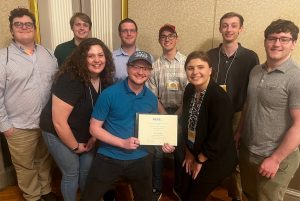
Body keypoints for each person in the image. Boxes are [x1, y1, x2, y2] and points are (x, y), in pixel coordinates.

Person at [80, 51, 175, 201]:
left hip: (141, 157)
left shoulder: (151, 99)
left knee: (145, 198)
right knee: (89, 197)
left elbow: (153, 130)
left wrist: (165, 143)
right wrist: (122, 143)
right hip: (109, 156)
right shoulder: (109, 94)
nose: (140, 72)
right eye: (136, 66)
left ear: (150, 72)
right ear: (127, 68)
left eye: (145, 68)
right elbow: (94, 128)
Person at [40, 38, 114, 201]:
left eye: (100, 55)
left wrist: (94, 137)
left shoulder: (105, 79)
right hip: (57, 130)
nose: (97, 60)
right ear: (82, 58)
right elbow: (59, 121)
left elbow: (102, 114)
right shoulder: (70, 79)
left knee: (87, 169)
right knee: (71, 170)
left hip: (85, 132)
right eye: (90, 56)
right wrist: (75, 147)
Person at [236, 19, 300, 201]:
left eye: (284, 39)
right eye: (272, 38)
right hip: (249, 151)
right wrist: (240, 131)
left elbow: (299, 125)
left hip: (275, 157)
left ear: (293, 43)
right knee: (248, 195)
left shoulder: (296, 77)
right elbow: (249, 103)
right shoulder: (256, 71)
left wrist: (276, 159)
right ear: (265, 41)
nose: (277, 43)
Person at [0, 8, 58, 201]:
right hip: (18, 126)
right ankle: (33, 196)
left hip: (46, 123)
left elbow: (56, 88)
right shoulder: (3, 58)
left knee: (44, 160)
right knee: (25, 166)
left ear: (34, 28)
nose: (24, 27)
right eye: (18, 24)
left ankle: (46, 191)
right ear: (11, 29)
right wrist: (5, 125)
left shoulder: (48, 54)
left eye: (28, 24)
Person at [207, 12, 259, 201]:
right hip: (212, 114)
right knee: (210, 151)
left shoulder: (250, 57)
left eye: (233, 25)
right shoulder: (210, 55)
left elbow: (252, 92)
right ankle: (208, 190)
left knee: (235, 156)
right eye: (225, 25)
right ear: (220, 28)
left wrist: (242, 125)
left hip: (238, 114)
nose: (229, 29)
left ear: (240, 29)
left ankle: (235, 195)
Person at [180, 51, 237, 201]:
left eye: (200, 67)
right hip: (195, 149)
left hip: (215, 157)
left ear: (210, 70)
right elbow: (185, 122)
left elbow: (220, 137)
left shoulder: (219, 98)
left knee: (193, 196)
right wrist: (189, 151)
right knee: (183, 189)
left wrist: (200, 159)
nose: (195, 72)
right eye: (190, 68)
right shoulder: (189, 90)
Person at [147, 23, 187, 201]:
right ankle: (156, 187)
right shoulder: (154, 66)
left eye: (170, 36)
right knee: (157, 153)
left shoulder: (187, 63)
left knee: (180, 154)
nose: (167, 39)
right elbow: (153, 96)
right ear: (159, 41)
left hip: (182, 112)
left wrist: (176, 117)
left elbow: (190, 94)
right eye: (163, 36)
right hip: (161, 113)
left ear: (176, 38)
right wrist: (165, 118)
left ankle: (179, 188)